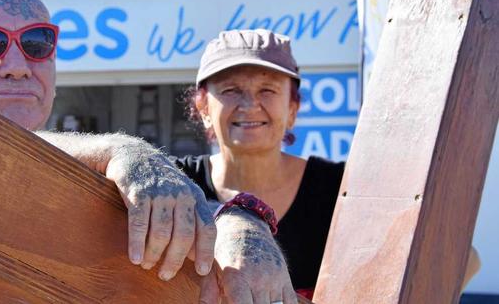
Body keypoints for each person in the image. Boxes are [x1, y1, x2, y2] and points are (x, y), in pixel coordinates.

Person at [0, 0, 294, 304]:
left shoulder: (108, 196)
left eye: (37, 43)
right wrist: (122, 149)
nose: (16, 65)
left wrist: (241, 223)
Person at [173, 29, 481, 301]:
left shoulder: (343, 190)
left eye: (267, 89)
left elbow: (463, 259)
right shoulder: (174, 183)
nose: (250, 104)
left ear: (292, 108)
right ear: (203, 108)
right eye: (230, 90)